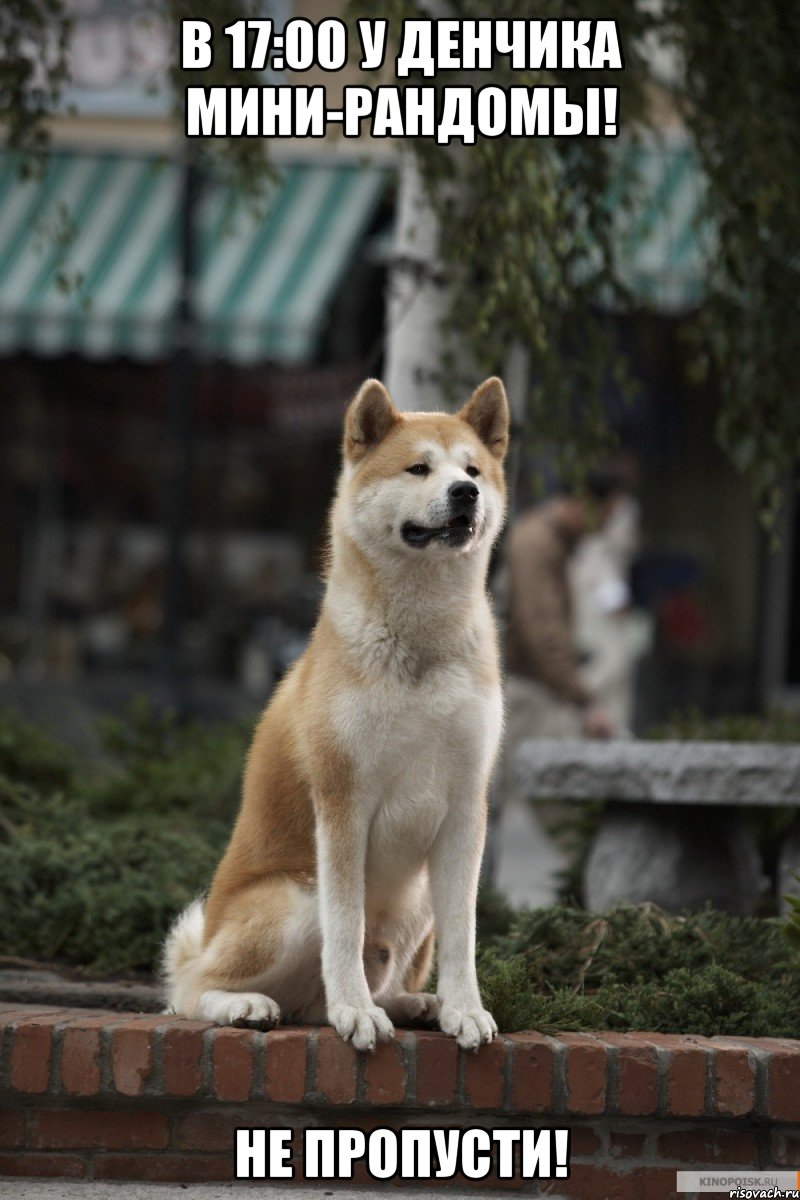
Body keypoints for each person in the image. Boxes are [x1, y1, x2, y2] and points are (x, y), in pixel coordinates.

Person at [503, 470, 627, 743]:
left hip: (537, 687)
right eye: (606, 515)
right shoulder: (538, 544)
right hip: (527, 691)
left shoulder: (551, 541)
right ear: (586, 502)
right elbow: (542, 630)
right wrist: (583, 701)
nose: (605, 527)